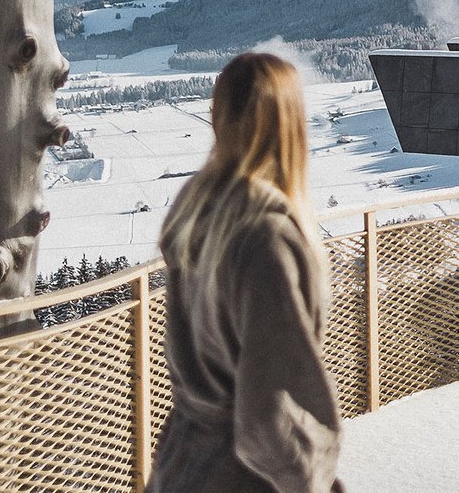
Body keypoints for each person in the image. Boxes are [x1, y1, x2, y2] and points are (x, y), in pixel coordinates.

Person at [148, 53, 345, 492]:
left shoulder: (199, 212)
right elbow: (271, 413)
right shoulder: (264, 241)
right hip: (243, 478)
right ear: (290, 124)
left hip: (182, 464)